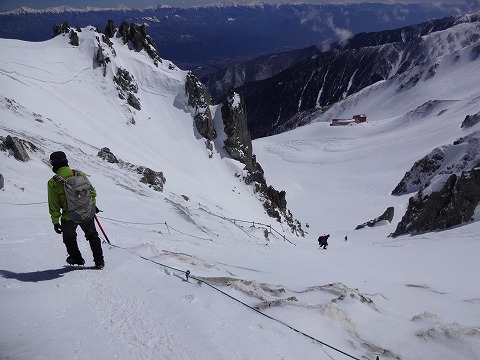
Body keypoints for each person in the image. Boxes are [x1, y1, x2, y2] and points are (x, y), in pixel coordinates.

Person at [47, 151, 105, 269]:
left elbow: (54, 205)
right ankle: (99, 261)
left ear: (54, 164)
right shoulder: (79, 174)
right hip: (87, 212)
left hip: (69, 216)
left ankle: (77, 259)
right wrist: (92, 206)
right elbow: (92, 192)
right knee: (92, 235)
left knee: (69, 238)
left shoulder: (53, 182)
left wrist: (55, 221)